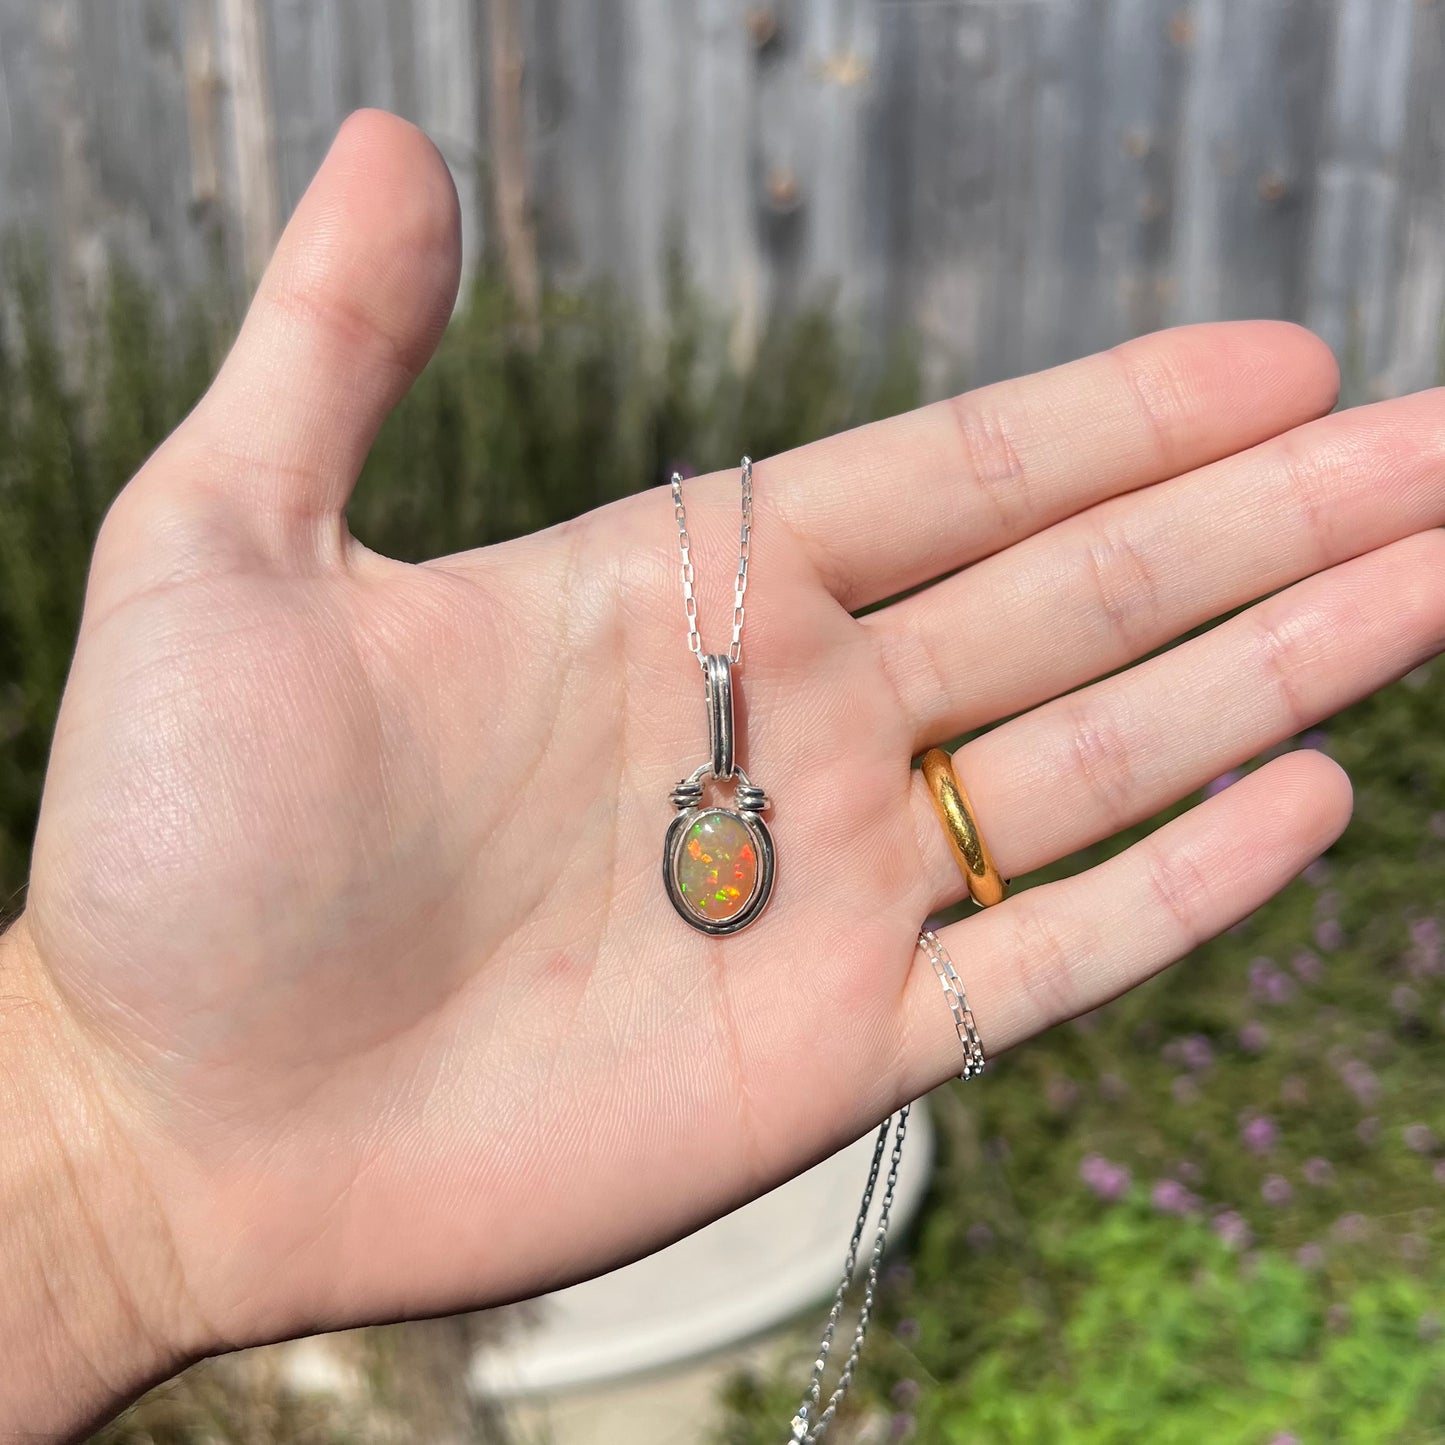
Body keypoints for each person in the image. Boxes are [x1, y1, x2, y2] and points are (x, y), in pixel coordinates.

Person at [3, 109, 1442, 1441]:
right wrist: (96, 1112)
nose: (719, 827)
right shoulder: (705, 788)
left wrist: (102, 1159)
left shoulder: (717, 791)